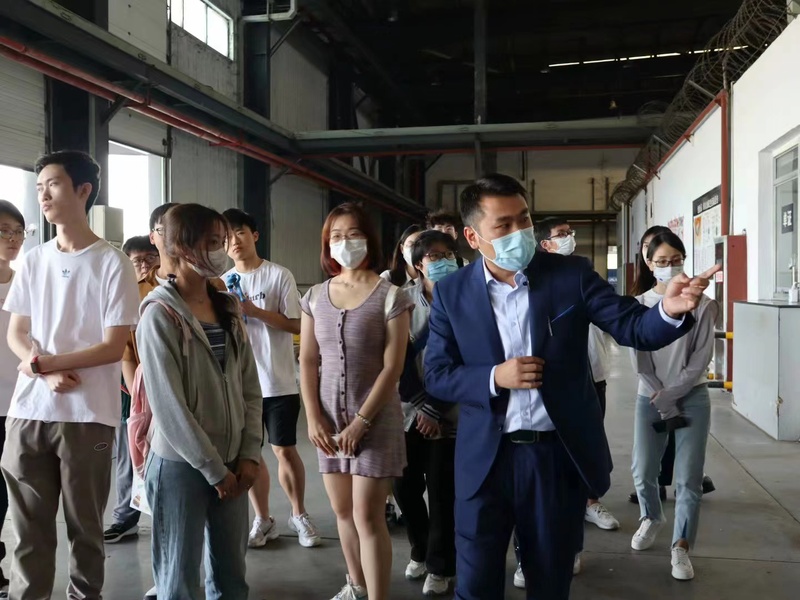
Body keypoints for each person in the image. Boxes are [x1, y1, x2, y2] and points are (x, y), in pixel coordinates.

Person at [423, 173, 719, 600]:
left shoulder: (571, 275)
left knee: (550, 580)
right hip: (485, 460)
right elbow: (437, 373)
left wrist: (669, 311)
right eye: (503, 225)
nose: (519, 232)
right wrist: (493, 377)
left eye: (524, 219)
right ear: (473, 237)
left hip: (554, 457)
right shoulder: (452, 292)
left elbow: (631, 325)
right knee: (475, 583)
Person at [2, 150, 140, 599]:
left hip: (87, 416)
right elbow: (17, 334)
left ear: (83, 190)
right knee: (27, 532)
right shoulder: (34, 261)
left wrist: (45, 364)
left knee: (86, 530)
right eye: (39, 187)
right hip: (28, 412)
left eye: (54, 184)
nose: (43, 195)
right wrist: (43, 375)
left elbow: (113, 346)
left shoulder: (112, 263)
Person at [137, 203, 262, 600]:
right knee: (179, 581)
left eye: (220, 241)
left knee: (231, 579)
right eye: (210, 242)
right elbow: (170, 407)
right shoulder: (159, 315)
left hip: (233, 462)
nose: (220, 250)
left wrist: (249, 453)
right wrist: (214, 470)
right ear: (179, 246)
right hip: (181, 465)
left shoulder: (227, 308)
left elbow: (249, 387)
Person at [299, 202, 413, 600]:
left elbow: (393, 367)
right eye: (336, 236)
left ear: (369, 239)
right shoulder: (315, 296)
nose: (344, 242)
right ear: (326, 244)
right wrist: (313, 417)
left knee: (368, 516)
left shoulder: (391, 296)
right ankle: (356, 585)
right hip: (329, 422)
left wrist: (361, 422)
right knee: (343, 512)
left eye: (353, 234)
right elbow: (308, 359)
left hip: (376, 421)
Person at [222, 208, 321, 549]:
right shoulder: (220, 283)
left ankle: (299, 513)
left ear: (254, 235)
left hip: (278, 380)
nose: (234, 241)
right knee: (251, 454)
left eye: (239, 233)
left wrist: (254, 311)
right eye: (226, 237)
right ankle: (263, 519)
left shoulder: (278, 275)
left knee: (284, 449)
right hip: (239, 385)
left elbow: (297, 324)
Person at [630, 230, 718, 581]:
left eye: (676, 260)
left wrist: (674, 393)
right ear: (649, 264)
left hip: (692, 396)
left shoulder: (704, 304)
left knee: (689, 477)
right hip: (649, 395)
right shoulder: (639, 304)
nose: (670, 266)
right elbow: (641, 361)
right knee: (643, 469)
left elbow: (700, 359)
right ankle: (651, 516)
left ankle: (681, 545)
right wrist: (661, 395)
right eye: (662, 261)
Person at [393, 230, 460, 597]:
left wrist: (435, 408)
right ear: (418, 264)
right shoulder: (401, 300)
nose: (444, 260)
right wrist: (421, 405)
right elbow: (395, 358)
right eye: (435, 256)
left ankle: (440, 565)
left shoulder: (469, 300)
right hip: (407, 411)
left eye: (449, 254)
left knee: (442, 490)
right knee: (404, 487)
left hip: (449, 414)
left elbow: (468, 357)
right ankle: (419, 548)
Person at [103, 235, 161, 548]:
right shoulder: (125, 293)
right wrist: (137, 392)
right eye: (137, 260)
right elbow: (125, 349)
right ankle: (125, 516)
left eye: (150, 258)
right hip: (133, 387)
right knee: (130, 452)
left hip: (171, 385)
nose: (144, 265)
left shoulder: (167, 289)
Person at [0, 200, 27, 594]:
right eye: (4, 231)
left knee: (6, 494)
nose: (12, 239)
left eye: (18, 232)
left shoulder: (25, 285)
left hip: (18, 406)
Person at [380, 224, 424, 289]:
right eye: (411, 245)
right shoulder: (388, 277)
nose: (416, 250)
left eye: (420, 245)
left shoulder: (431, 280)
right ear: (402, 249)